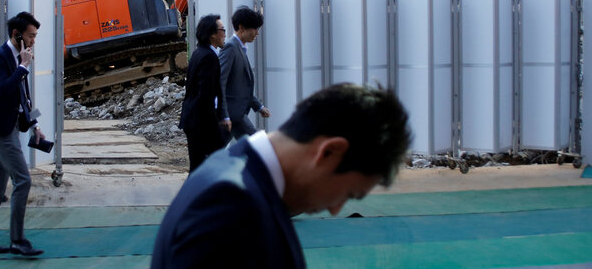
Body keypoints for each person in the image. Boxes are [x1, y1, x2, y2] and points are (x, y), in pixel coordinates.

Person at [152, 83, 412, 268]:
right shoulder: (230, 207)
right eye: (347, 194)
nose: (335, 209)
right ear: (330, 152)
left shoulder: (233, 170)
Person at [0, 11, 46, 256]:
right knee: (23, 180)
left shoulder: (18, 56)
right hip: (0, 129)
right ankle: (18, 239)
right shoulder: (0, 57)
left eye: (35, 35)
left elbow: (23, 96)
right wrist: (23, 67)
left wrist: (35, 124)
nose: (34, 40)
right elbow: (4, 90)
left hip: (10, 126)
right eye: (31, 36)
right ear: (17, 35)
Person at [179, 14, 230, 172]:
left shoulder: (199, 53)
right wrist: (216, 122)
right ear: (213, 34)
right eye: (222, 30)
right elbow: (206, 96)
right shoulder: (208, 57)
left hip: (194, 120)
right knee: (204, 168)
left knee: (198, 168)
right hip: (200, 123)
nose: (225, 34)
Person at [219, 6, 271, 140]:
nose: (257, 33)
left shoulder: (240, 48)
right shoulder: (231, 47)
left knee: (217, 150)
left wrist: (258, 106)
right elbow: (219, 82)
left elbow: (241, 85)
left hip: (235, 113)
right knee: (257, 144)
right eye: (255, 29)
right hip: (232, 113)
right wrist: (224, 114)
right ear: (242, 28)